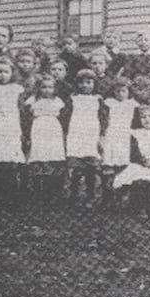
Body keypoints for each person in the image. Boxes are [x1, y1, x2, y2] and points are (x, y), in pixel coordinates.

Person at [0, 56, 27, 204]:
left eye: (6, 72)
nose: (2, 75)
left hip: (11, 126)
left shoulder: (16, 89)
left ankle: (11, 193)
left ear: (12, 73)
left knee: (11, 157)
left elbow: (21, 110)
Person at [65, 69, 107, 208]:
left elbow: (103, 117)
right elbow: (65, 117)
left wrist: (101, 134)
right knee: (77, 168)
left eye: (88, 82)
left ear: (94, 84)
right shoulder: (72, 99)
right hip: (76, 135)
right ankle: (74, 194)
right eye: (81, 82)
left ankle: (91, 195)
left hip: (91, 135)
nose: (85, 85)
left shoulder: (98, 99)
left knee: (91, 168)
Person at [23, 75, 68, 201]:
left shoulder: (58, 101)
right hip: (38, 127)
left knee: (52, 157)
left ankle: (53, 190)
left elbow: (63, 116)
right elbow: (27, 114)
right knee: (39, 156)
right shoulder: (34, 100)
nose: (47, 90)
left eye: (50, 87)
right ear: (39, 88)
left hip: (53, 129)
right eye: (43, 87)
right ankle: (38, 190)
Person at [100, 78, 140, 198]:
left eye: (123, 91)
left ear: (129, 92)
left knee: (123, 164)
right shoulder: (109, 103)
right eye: (117, 91)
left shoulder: (133, 104)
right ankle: (107, 195)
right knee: (109, 163)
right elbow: (103, 119)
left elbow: (136, 122)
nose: (120, 94)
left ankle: (122, 194)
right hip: (111, 134)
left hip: (125, 136)